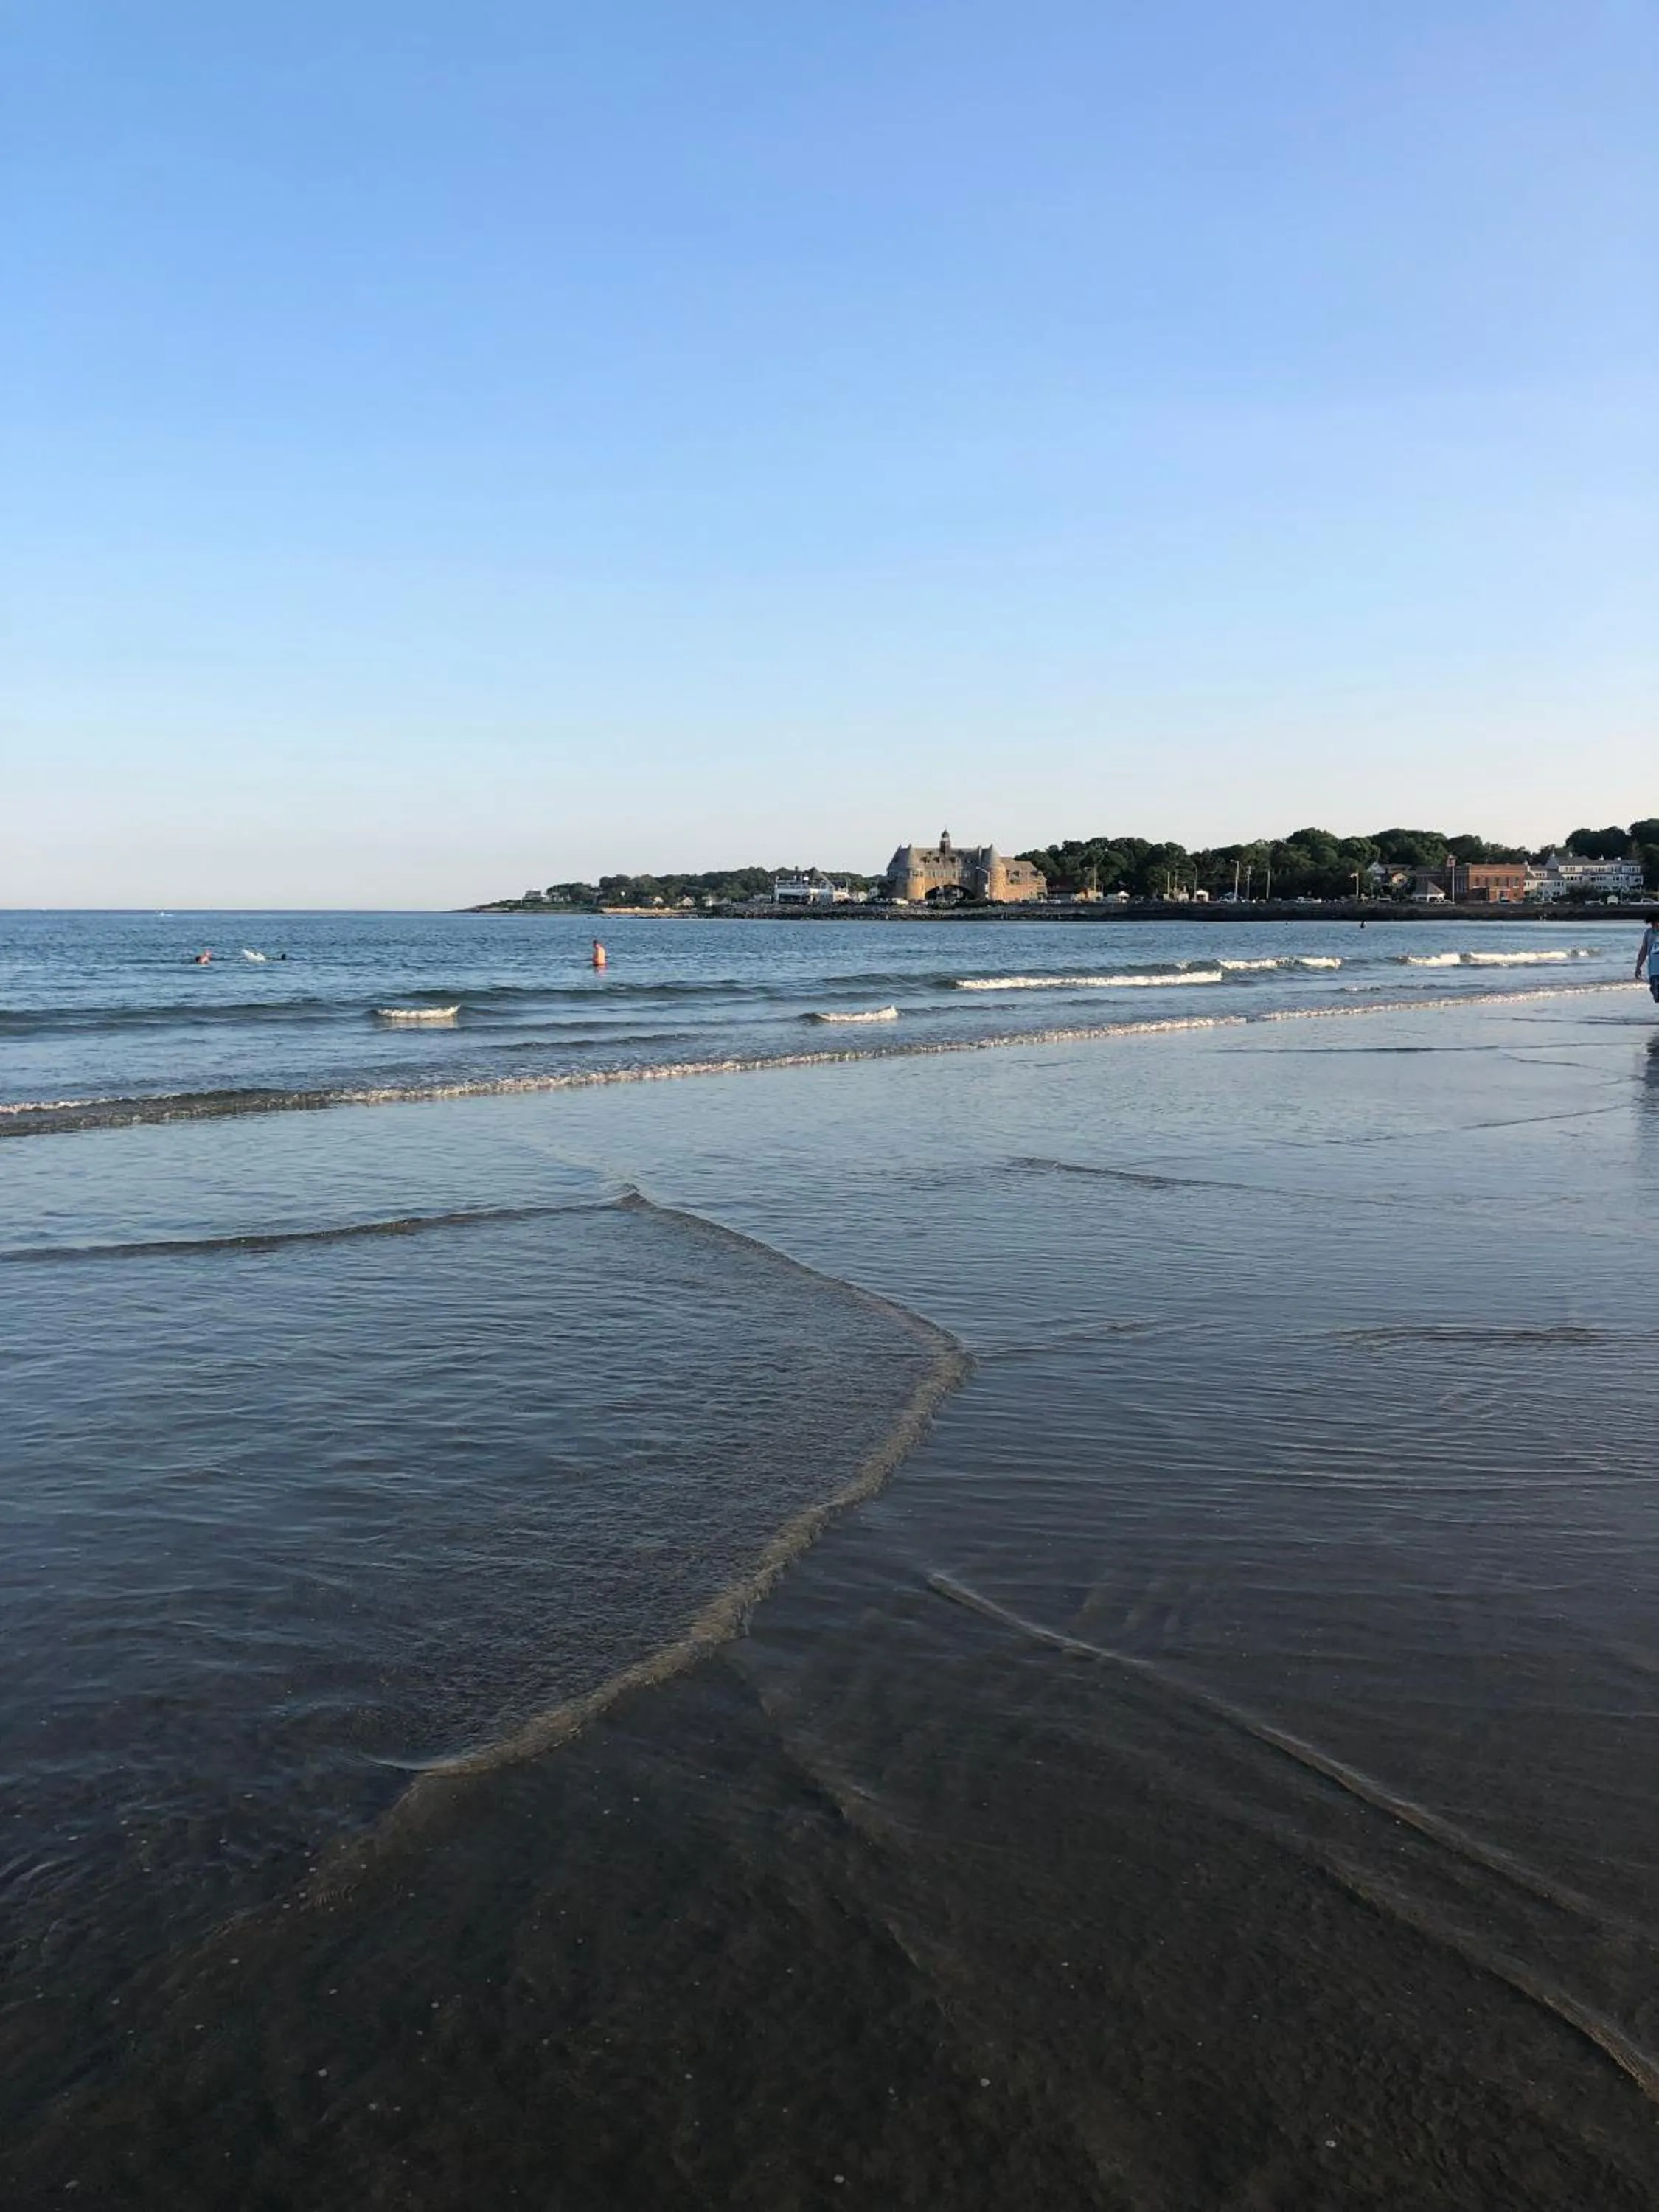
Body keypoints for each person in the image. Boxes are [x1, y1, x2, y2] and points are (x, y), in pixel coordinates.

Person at [1635, 911, 1659, 1002]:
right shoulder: (1648, 933)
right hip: (1653, 971)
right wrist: (1638, 967)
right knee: (1656, 995)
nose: (1654, 925)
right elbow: (1643, 951)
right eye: (1652, 923)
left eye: (1656, 923)